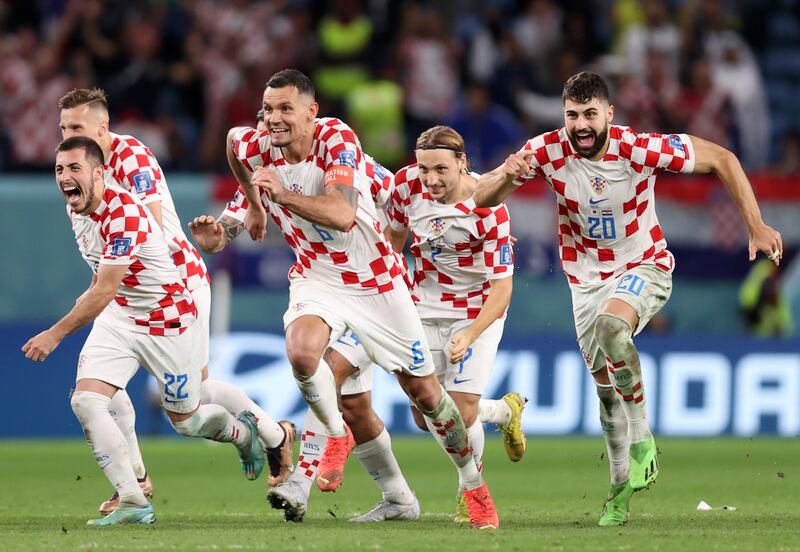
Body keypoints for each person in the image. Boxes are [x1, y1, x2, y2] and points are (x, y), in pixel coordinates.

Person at [472, 71, 783, 527]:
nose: (581, 124)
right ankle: (619, 489)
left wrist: (755, 224)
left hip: (645, 264)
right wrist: (506, 181)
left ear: (609, 114)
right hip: (585, 282)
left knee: (612, 328)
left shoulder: (637, 148)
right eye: (572, 115)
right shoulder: (545, 150)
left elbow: (722, 157)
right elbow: (481, 196)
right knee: (605, 392)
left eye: (590, 115)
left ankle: (644, 442)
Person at [204, 68, 497, 529]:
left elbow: (342, 215)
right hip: (318, 277)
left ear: (312, 113)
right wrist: (254, 208)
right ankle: (348, 456)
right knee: (307, 358)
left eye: (286, 109)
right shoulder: (257, 144)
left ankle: (472, 484)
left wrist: (277, 195)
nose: (274, 119)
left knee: (426, 396)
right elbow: (232, 143)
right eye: (268, 110)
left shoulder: (336, 140)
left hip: (377, 280)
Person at [57, 89, 295, 515]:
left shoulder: (130, 158)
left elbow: (147, 222)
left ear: (101, 128)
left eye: (76, 128)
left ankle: (273, 435)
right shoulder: (78, 174)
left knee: (195, 397)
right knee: (100, 391)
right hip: (128, 290)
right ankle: (135, 480)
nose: (70, 136)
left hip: (175, 286)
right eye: (64, 129)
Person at [22, 136, 265, 526]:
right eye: (59, 170)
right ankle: (134, 499)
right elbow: (102, 281)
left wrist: (55, 333)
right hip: (121, 319)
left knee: (187, 421)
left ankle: (241, 433)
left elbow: (104, 288)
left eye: (74, 169)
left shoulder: (126, 214)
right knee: (86, 401)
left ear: (100, 173)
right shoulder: (77, 211)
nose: (65, 177)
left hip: (167, 320)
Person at [191, 114, 420, 524]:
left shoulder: (353, 165)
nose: (269, 129)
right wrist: (222, 233)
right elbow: (232, 207)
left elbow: (405, 210)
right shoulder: (266, 165)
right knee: (355, 408)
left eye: (277, 118)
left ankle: (299, 483)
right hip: (326, 288)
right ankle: (399, 499)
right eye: (263, 120)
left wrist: (403, 252)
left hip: (379, 292)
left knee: (340, 377)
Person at [386, 125, 527, 522]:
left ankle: (470, 488)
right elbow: (393, 239)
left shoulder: (490, 208)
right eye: (423, 169)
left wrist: (470, 332)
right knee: (423, 413)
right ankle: (503, 412)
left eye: (440, 170)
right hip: (422, 309)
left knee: (460, 412)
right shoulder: (404, 188)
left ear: (463, 164)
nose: (429, 179)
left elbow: (502, 290)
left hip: (477, 311)